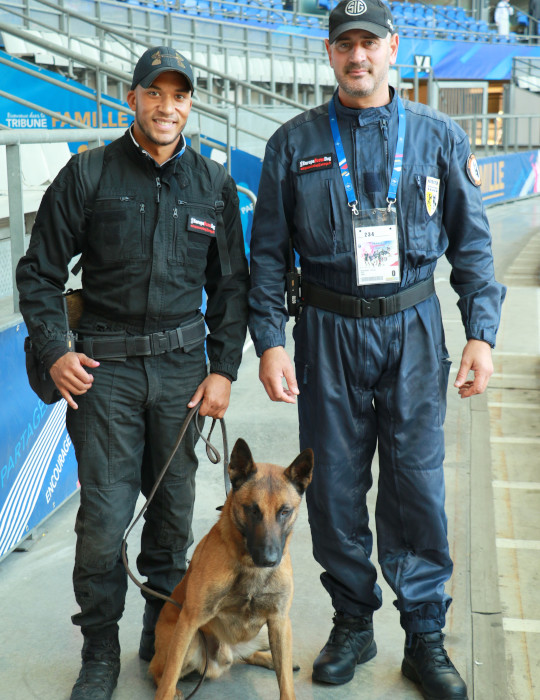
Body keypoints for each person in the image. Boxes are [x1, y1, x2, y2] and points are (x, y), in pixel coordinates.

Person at [248, 1, 505, 698]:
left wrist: (480, 332)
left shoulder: (438, 138)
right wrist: (270, 341)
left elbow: (474, 247)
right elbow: (267, 256)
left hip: (413, 327)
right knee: (331, 488)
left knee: (416, 483)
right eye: (344, 45)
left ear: (393, 46)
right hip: (326, 331)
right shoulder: (292, 143)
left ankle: (424, 635)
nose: (357, 56)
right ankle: (353, 622)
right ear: (328, 53)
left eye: (368, 43)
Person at [16, 46, 249, 700]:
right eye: (154, 93)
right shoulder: (87, 175)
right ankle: (98, 652)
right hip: (105, 375)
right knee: (101, 529)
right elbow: (39, 274)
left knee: (172, 522)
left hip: (182, 375)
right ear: (134, 98)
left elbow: (231, 285)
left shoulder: (213, 184)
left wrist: (224, 369)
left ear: (190, 105)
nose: (166, 107)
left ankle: (160, 632)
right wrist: (58, 349)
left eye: (179, 96)